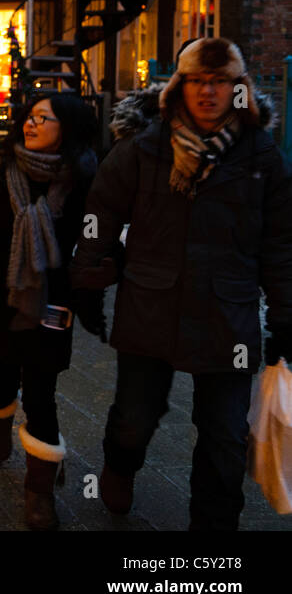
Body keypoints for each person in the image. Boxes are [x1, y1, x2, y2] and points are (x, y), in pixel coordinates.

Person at [72, 37, 292, 531]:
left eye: (220, 82)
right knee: (134, 420)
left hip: (228, 316)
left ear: (238, 90)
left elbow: (281, 242)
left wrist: (285, 316)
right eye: (197, 80)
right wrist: (87, 279)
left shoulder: (261, 156)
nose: (208, 92)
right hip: (151, 306)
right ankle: (119, 465)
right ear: (180, 86)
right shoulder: (144, 148)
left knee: (224, 438)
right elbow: (100, 214)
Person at [0, 92, 101, 530]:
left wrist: (97, 278)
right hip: (0, 303)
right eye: (29, 118)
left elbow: (98, 243)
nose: (30, 125)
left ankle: (38, 493)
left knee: (41, 394)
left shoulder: (84, 182)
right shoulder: (2, 176)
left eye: (43, 119)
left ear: (67, 130)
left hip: (54, 307)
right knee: (2, 381)